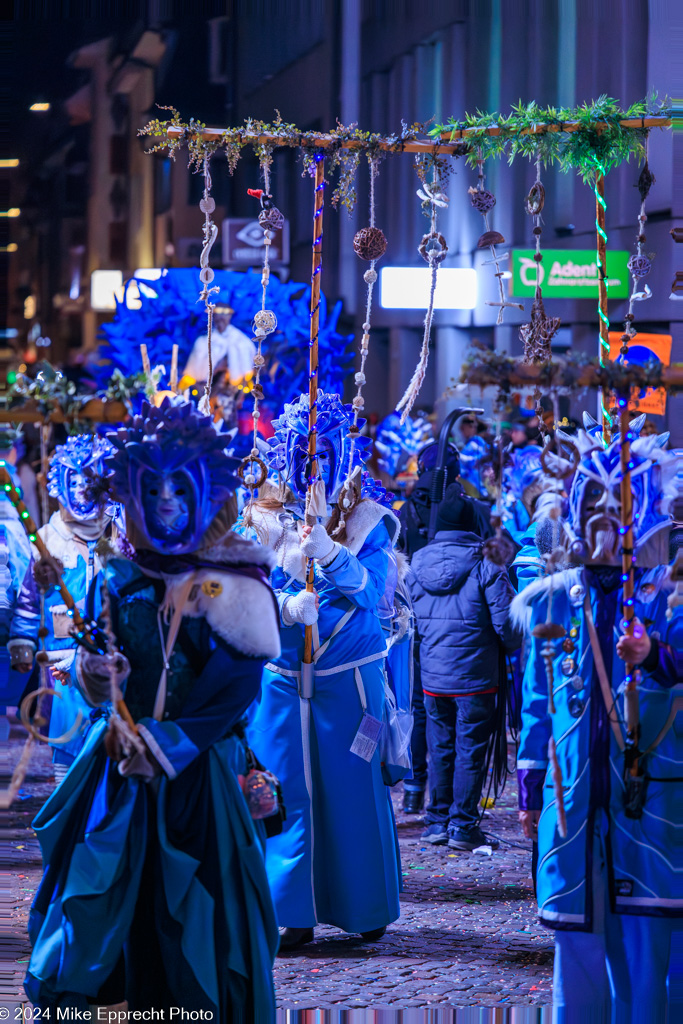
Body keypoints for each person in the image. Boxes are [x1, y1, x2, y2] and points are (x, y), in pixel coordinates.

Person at [25, 397, 280, 1019]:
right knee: (101, 903)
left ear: (203, 493)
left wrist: (165, 744)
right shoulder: (113, 577)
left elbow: (234, 688)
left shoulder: (233, 586)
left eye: (179, 486)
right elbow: (95, 663)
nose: (166, 500)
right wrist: (97, 683)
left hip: (197, 782)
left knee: (198, 916)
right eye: (153, 486)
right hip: (116, 772)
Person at [513, 424, 681, 1022]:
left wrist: (658, 657)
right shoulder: (553, 598)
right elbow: (537, 695)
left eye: (620, 509)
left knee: (650, 941)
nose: (604, 525)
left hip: (653, 797)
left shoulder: (669, 596)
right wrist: (532, 786)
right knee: (577, 932)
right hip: (574, 794)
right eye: (594, 509)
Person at [241, 391, 402, 949]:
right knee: (284, 790)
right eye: (301, 457)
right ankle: (292, 911)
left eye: (323, 456)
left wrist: (332, 555)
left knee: (352, 789)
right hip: (283, 679)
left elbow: (373, 593)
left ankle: (363, 904)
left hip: (348, 681)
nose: (312, 469)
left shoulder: (368, 519)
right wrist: (284, 606)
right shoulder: (259, 523)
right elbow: (237, 596)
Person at [407, 484, 521, 849]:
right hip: (475, 675)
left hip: (432, 676)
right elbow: (507, 625)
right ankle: (463, 825)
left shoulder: (416, 563)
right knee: (470, 748)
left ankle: (437, 820)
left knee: (440, 746)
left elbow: (409, 622)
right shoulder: (487, 563)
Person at [13, 435, 122, 782]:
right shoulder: (47, 537)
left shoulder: (121, 537)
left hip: (108, 662)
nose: (82, 491)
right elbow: (29, 599)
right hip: (60, 665)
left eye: (90, 482)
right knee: (67, 745)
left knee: (108, 745)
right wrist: (23, 641)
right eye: (74, 482)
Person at [398, 441, 492, 814]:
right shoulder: (465, 507)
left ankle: (417, 791)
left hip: (421, 625)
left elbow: (398, 563)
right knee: (465, 731)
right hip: (467, 630)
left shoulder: (407, 510)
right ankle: (457, 815)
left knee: (425, 710)